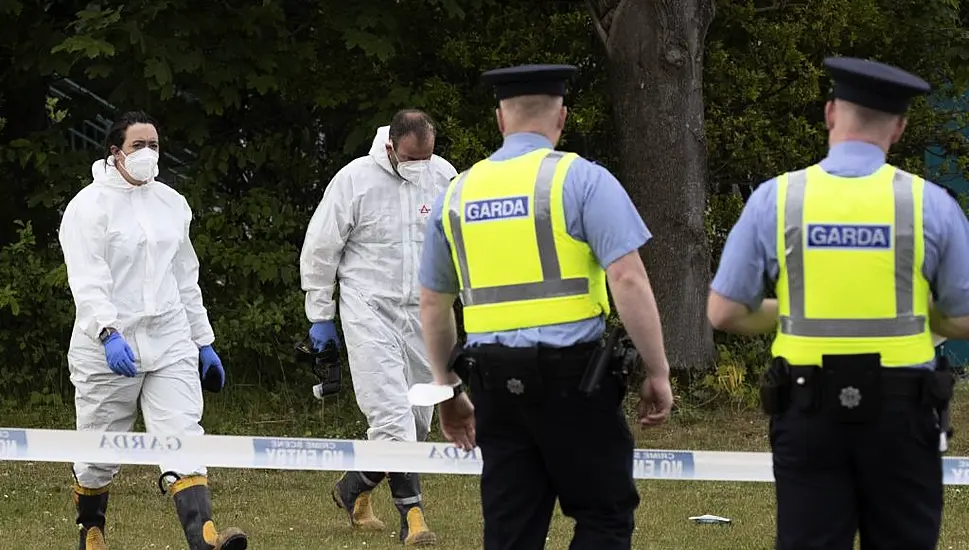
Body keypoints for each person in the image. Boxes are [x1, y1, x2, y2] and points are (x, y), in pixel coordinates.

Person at [707, 57, 969, 550]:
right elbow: (964, 317)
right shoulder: (929, 204)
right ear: (899, 128)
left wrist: (785, 311)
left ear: (830, 113)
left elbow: (723, 312)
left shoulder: (777, 199)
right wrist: (924, 317)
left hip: (809, 411)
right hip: (903, 415)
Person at [417, 64, 674, 550]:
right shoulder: (582, 181)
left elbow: (432, 301)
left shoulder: (457, 194)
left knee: (511, 531)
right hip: (573, 382)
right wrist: (657, 370)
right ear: (562, 118)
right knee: (604, 516)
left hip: (494, 385)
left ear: (499, 120)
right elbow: (627, 277)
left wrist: (448, 390)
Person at [58, 111, 246, 550]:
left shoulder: (171, 203)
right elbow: (86, 278)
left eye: (154, 145)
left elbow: (185, 276)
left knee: (182, 434)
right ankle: (91, 531)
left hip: (169, 338)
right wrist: (107, 332)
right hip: (107, 345)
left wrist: (204, 342)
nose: (147, 153)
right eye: (137, 145)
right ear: (114, 152)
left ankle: (205, 540)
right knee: (98, 451)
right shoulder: (88, 206)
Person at [299, 109, 457, 546]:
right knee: (392, 417)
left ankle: (353, 488)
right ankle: (415, 519)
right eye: (410, 157)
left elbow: (454, 239)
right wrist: (320, 316)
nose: (418, 166)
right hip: (368, 308)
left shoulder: (442, 175)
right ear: (390, 145)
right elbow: (320, 248)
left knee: (419, 419)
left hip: (423, 312)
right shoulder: (355, 180)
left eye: (426, 156)